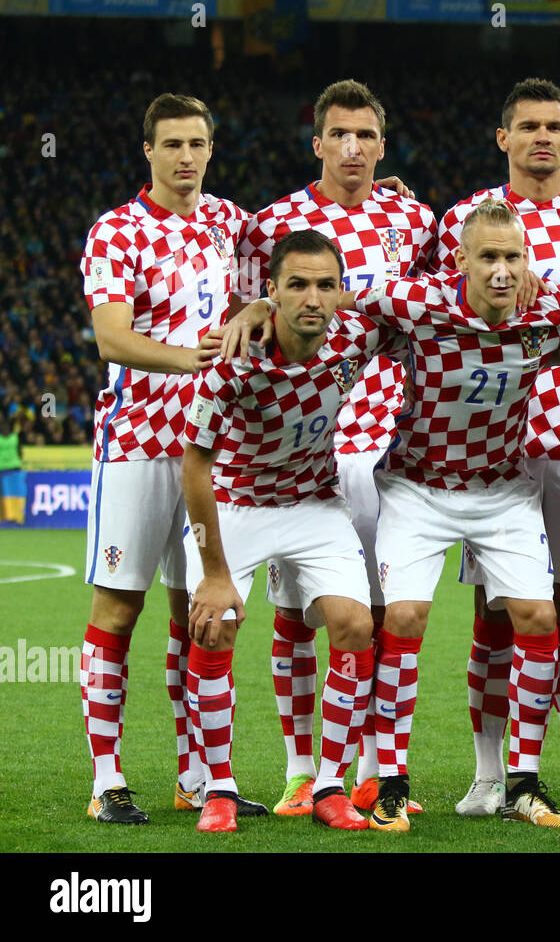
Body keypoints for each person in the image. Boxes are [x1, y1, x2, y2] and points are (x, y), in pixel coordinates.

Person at [351, 197, 560, 831]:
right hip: (417, 486)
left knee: (539, 616)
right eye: (488, 257)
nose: (501, 271)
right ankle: (389, 779)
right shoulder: (420, 303)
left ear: (528, 262)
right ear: (460, 260)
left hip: (502, 490)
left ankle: (523, 779)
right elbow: (337, 298)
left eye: (513, 257)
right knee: (405, 615)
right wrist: (257, 305)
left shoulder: (549, 311)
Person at [237, 79, 437, 818]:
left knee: (377, 615)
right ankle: (300, 769)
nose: (353, 148)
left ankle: (373, 769)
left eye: (367, 136)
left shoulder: (414, 220)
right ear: (316, 142)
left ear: (383, 146)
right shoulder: (271, 225)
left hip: (391, 438)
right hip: (303, 445)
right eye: (339, 135)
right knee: (294, 616)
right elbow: (244, 319)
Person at [435, 78, 560, 817]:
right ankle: (489, 775)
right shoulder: (466, 218)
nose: (542, 137)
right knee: (497, 614)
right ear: (504, 139)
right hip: (498, 443)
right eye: (528, 126)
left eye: (555, 125)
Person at [79, 93, 262, 823]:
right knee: (119, 609)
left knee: (203, 616)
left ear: (210, 150)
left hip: (210, 449)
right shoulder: (116, 231)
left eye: (197, 144)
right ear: (147, 151)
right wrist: (190, 359)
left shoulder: (227, 221)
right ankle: (106, 779)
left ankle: (196, 776)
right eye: (172, 144)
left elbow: (290, 255)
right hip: (136, 447)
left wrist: (381, 192)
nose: (186, 157)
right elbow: (111, 337)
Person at [182, 230, 395, 832]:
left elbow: (413, 306)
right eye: (297, 284)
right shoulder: (233, 356)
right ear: (271, 290)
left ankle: (329, 785)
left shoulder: (356, 337)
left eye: (326, 285)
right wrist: (216, 573)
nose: (313, 298)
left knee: (355, 625)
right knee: (215, 624)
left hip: (313, 502)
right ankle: (219, 790)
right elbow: (194, 464)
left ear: (342, 293)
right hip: (235, 502)